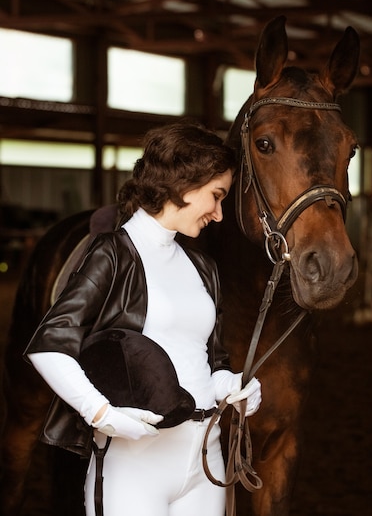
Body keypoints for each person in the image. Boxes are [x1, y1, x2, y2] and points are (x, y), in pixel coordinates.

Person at [25, 122, 262, 516]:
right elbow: (48, 344)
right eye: (216, 196)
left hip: (206, 457)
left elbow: (210, 361)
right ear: (186, 184)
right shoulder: (112, 253)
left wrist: (234, 386)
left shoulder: (202, 265)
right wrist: (100, 413)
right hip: (136, 462)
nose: (219, 215)